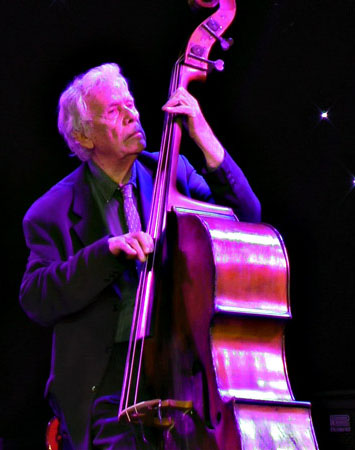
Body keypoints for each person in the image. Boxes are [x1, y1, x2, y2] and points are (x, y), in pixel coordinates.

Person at [19, 63, 261, 449]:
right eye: (114, 110)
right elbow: (36, 297)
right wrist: (104, 253)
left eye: (130, 103)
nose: (133, 113)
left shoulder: (174, 172)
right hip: (107, 387)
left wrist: (204, 136)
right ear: (85, 135)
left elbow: (245, 223)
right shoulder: (50, 212)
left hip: (183, 367)